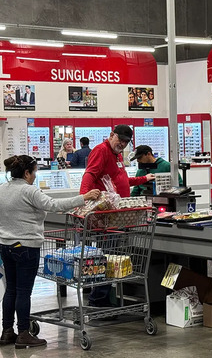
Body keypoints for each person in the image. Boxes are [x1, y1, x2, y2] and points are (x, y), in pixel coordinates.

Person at [0, 155, 100, 349]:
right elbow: (54, 205)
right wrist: (84, 197)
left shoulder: (2, 189)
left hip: (5, 245)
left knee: (10, 289)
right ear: (27, 172)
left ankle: (6, 331)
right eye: (35, 172)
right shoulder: (29, 191)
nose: (35, 176)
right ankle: (23, 333)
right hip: (26, 246)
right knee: (23, 291)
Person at [80, 125, 155, 307]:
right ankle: (99, 300)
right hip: (106, 216)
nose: (122, 143)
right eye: (120, 139)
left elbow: (120, 180)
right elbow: (90, 174)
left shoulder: (117, 155)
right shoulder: (101, 151)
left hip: (116, 214)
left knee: (111, 256)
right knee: (106, 256)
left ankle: (104, 297)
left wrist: (143, 179)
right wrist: (83, 198)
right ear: (111, 135)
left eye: (126, 142)